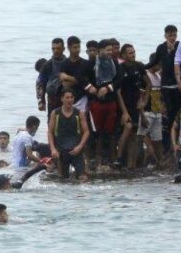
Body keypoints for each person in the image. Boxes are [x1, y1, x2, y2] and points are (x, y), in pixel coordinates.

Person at [88, 38, 125, 170]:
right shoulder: (92, 62)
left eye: (111, 50)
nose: (110, 52)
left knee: (109, 132)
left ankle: (107, 159)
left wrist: (108, 87)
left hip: (110, 101)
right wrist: (90, 87)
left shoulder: (114, 62)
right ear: (100, 50)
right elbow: (82, 77)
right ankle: (96, 160)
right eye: (107, 50)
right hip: (96, 102)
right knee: (97, 132)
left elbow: (120, 79)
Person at [48, 89, 90, 181]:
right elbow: (50, 132)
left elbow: (86, 132)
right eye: (67, 98)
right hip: (61, 152)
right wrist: (53, 149)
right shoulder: (55, 113)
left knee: (83, 178)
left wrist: (80, 146)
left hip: (76, 151)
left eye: (71, 98)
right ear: (62, 99)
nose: (69, 100)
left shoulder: (79, 113)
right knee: (63, 180)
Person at [117, 44, 146, 169]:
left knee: (134, 135)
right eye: (130, 53)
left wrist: (143, 100)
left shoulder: (139, 66)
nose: (133, 54)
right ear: (123, 55)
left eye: (134, 52)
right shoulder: (120, 68)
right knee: (127, 127)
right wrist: (124, 111)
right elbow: (117, 91)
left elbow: (148, 84)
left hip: (135, 104)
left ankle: (131, 164)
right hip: (123, 103)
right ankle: (118, 158)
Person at [138, 55, 164, 167]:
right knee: (140, 137)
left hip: (157, 112)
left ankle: (159, 163)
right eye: (159, 64)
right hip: (147, 112)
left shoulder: (158, 76)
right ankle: (138, 163)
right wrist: (142, 114)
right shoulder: (145, 76)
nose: (160, 67)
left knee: (158, 140)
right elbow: (141, 96)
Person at [58, 36, 90, 112]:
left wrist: (68, 77)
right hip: (68, 99)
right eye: (75, 47)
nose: (77, 50)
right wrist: (80, 80)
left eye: (79, 47)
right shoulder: (64, 64)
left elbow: (87, 81)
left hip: (83, 98)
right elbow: (65, 83)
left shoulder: (85, 63)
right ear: (68, 48)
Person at [36, 37, 67, 115]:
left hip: (68, 101)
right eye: (53, 49)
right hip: (52, 101)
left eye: (58, 48)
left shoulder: (69, 63)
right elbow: (40, 83)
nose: (55, 51)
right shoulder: (47, 65)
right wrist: (41, 101)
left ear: (63, 49)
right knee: (52, 124)